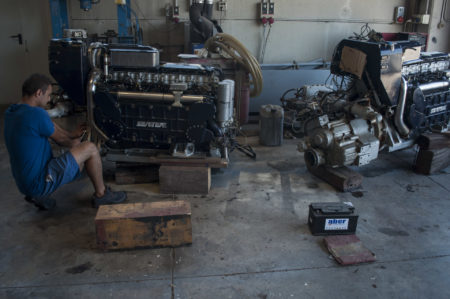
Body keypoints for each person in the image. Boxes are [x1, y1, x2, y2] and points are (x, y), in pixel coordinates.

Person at [4, 73, 126, 210]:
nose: (49, 99)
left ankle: (39, 196)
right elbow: (63, 141)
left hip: (24, 183)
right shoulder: (36, 115)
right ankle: (102, 195)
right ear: (39, 93)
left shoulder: (12, 112)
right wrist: (74, 142)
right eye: (48, 95)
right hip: (39, 181)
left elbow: (48, 125)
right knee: (90, 149)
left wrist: (71, 134)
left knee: (78, 158)